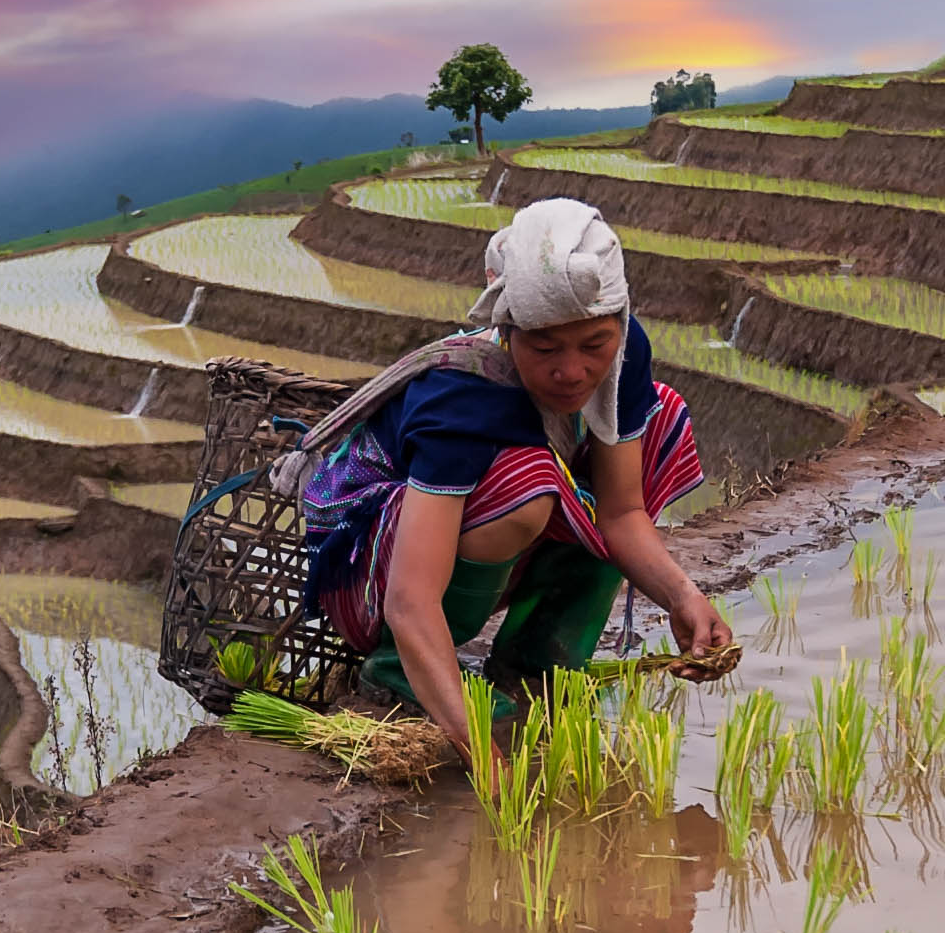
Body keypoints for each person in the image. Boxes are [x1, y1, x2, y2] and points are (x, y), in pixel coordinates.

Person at [285, 198, 737, 768]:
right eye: (545, 349)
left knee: (655, 421)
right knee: (528, 478)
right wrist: (475, 745)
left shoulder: (624, 353)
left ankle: (535, 666)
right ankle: (399, 671)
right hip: (371, 576)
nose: (572, 371)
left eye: (594, 345)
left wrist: (684, 598)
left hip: (471, 546)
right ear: (507, 333)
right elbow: (410, 598)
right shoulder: (465, 396)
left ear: (618, 325)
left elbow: (620, 514)